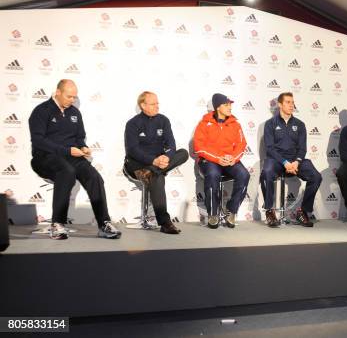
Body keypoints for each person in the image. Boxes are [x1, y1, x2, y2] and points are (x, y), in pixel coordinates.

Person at [28, 79, 121, 240]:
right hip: (44, 157)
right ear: (57, 92)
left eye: (74, 97)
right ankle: (57, 224)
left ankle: (104, 224)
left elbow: (79, 137)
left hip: (71, 157)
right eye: (69, 96)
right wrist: (66, 150)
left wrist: (83, 147)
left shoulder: (75, 113)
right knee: (66, 171)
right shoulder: (41, 111)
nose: (72, 100)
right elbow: (38, 141)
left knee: (94, 177)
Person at [124, 91, 188, 235]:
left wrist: (166, 156)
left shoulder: (163, 120)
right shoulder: (133, 123)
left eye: (158, 103)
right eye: (153, 104)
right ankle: (165, 223)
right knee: (157, 177)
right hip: (137, 164)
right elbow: (132, 150)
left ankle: (152, 171)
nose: (157, 106)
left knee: (183, 153)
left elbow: (171, 144)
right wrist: (153, 161)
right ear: (143, 105)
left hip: (157, 163)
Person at [260, 92, 322, 227]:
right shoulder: (270, 124)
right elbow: (270, 148)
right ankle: (270, 211)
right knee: (267, 172)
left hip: (295, 161)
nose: (291, 105)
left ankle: (303, 211)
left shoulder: (300, 124)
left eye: (292, 102)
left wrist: (297, 161)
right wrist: (284, 162)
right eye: (288, 102)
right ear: (280, 105)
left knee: (316, 176)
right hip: (277, 161)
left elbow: (302, 148)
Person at [193, 93, 250, 229]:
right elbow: (199, 147)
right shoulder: (204, 123)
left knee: (244, 174)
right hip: (210, 160)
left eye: (230, 104)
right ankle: (213, 213)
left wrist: (233, 158)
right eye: (226, 104)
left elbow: (241, 145)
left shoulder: (235, 124)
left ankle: (232, 210)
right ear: (218, 107)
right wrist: (218, 158)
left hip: (229, 160)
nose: (230, 107)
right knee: (213, 174)